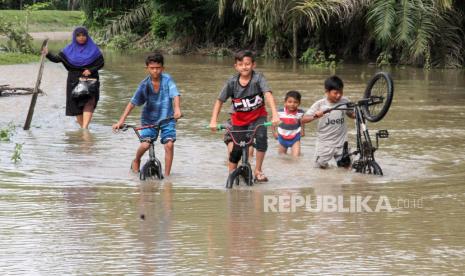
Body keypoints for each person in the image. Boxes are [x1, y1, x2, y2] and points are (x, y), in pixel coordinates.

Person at [209, 50, 280, 182]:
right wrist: (213, 121)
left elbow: (268, 94)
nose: (244, 67)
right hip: (239, 119)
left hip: (258, 116)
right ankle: (231, 174)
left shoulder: (258, 78)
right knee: (236, 148)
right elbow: (219, 101)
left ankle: (258, 170)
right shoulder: (232, 82)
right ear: (236, 66)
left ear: (253, 65)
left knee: (261, 138)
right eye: (241, 64)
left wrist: (275, 115)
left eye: (247, 64)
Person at [112, 53, 182, 177]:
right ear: (147, 68)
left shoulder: (167, 80)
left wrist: (177, 110)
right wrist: (121, 121)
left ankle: (167, 176)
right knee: (145, 144)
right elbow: (132, 103)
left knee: (169, 144)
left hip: (167, 118)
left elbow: (175, 94)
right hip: (149, 120)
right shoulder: (144, 85)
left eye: (158, 68)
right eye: (152, 68)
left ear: (163, 68)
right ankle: (137, 159)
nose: (155, 71)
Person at [43, 27, 104, 129]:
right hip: (74, 80)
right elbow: (57, 59)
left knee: (89, 102)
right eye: (78, 35)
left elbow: (101, 63)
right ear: (74, 37)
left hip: (90, 79)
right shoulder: (68, 49)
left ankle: (84, 129)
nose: (81, 38)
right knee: (76, 106)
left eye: (83, 35)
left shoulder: (94, 49)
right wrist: (47, 54)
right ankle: (84, 129)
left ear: (87, 36)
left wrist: (91, 70)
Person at [302, 75, 355, 168]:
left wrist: (361, 115)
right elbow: (303, 119)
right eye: (335, 93)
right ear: (327, 92)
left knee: (346, 168)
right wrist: (315, 116)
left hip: (342, 143)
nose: (339, 95)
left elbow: (351, 114)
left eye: (341, 92)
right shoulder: (320, 104)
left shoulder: (345, 101)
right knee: (319, 169)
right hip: (325, 144)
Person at [272, 91, 305, 157]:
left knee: (296, 157)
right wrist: (274, 132)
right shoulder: (279, 112)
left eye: (295, 102)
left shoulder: (300, 113)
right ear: (285, 102)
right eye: (290, 102)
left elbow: (302, 122)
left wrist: (302, 130)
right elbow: (273, 122)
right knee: (281, 158)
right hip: (282, 137)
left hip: (295, 138)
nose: (292, 104)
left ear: (299, 103)